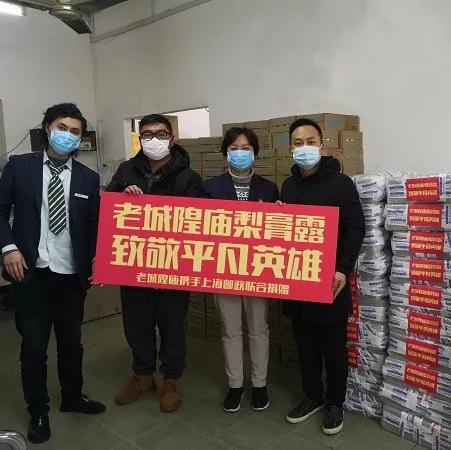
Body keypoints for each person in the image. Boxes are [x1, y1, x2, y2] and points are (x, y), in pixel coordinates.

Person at [0, 103, 105, 444]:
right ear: (47, 128)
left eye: (75, 131)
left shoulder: (88, 178)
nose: (67, 135)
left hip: (71, 276)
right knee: (34, 346)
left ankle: (72, 397)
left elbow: (93, 226)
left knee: (72, 342)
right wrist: (8, 247)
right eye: (62, 127)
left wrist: (98, 261)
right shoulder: (20, 166)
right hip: (31, 273)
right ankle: (38, 411)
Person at [106, 114, 206, 413]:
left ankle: (172, 380)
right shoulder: (126, 170)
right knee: (136, 325)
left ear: (171, 139)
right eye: (147, 134)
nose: (154, 140)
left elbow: (201, 219)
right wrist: (122, 197)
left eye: (160, 134)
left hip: (172, 267)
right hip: (134, 265)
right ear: (140, 139)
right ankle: (143, 376)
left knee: (172, 327)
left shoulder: (188, 177)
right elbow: (108, 205)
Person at [280, 118, 365, 435]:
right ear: (290, 148)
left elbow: (356, 228)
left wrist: (343, 268)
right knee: (305, 344)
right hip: (297, 280)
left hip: (330, 280)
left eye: (310, 142)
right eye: (298, 143)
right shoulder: (288, 186)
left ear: (322, 145)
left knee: (333, 347)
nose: (305, 148)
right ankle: (312, 396)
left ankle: (335, 403)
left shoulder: (341, 184)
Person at [203, 127, 279, 413]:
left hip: (259, 269)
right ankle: (235, 385)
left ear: (255, 153)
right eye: (234, 148)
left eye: (246, 148)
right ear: (225, 153)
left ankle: (260, 385)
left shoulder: (269, 188)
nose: (240, 153)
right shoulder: (209, 188)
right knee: (230, 330)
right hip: (223, 268)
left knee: (259, 329)